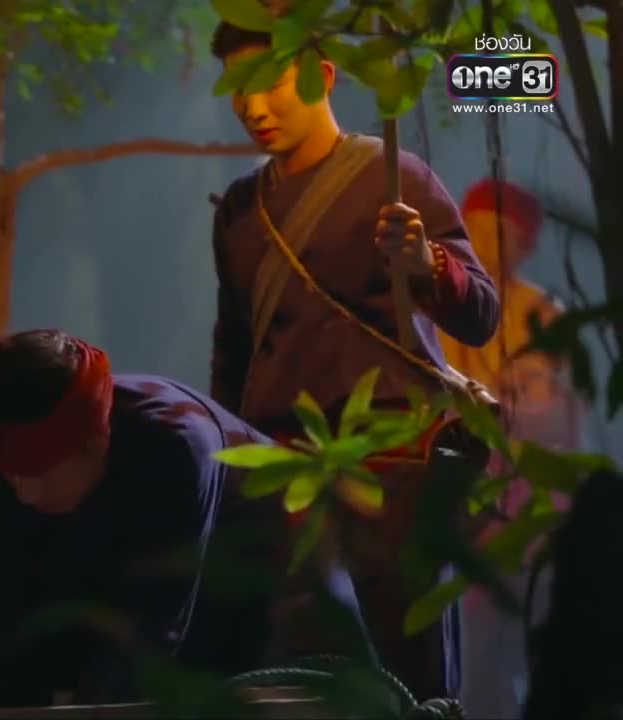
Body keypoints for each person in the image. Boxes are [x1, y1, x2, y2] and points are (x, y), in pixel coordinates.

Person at [208, 22, 500, 701]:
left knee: (407, 674)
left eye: (271, 84)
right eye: (239, 91)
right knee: (299, 677)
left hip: (391, 471)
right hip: (284, 478)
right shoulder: (241, 211)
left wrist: (428, 263)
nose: (254, 108)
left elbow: (481, 314)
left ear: (323, 76)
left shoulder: (393, 178)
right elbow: (234, 355)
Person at [0, 328, 373, 708]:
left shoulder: (174, 443)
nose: (24, 494)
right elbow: (11, 627)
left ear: (98, 439)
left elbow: (149, 632)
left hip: (277, 590)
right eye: (10, 476)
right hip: (146, 607)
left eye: (41, 473)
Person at [441, 179, 585, 718]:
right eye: (475, 230)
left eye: (499, 233)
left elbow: (557, 413)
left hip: (529, 501)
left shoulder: (540, 313)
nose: (485, 244)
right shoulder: (441, 309)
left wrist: (500, 412)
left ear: (525, 244)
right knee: (474, 655)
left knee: (531, 634)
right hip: (463, 495)